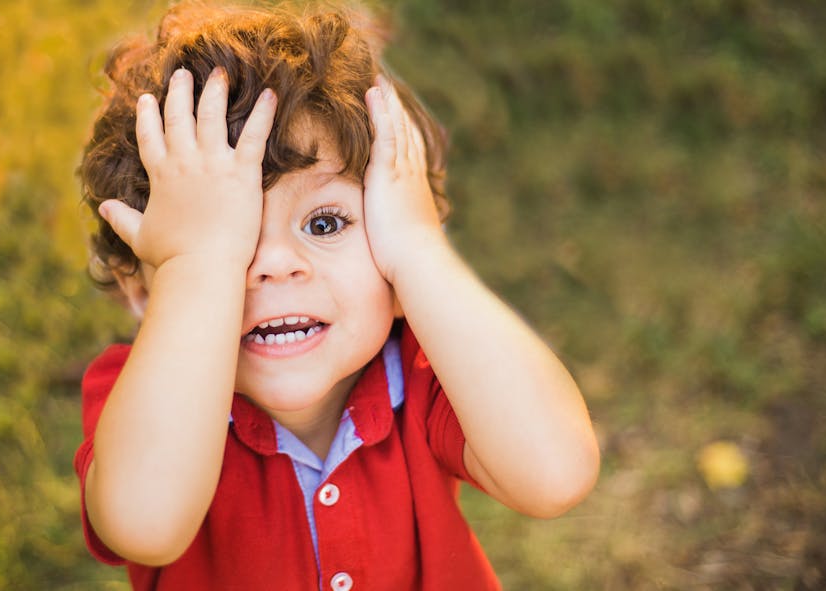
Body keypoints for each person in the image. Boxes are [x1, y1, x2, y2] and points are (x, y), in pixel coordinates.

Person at [74, 2, 600, 589]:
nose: (273, 266)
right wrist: (196, 268)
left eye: (325, 224)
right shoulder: (137, 396)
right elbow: (143, 525)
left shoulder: (425, 375)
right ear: (143, 290)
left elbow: (556, 473)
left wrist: (420, 252)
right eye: (233, 243)